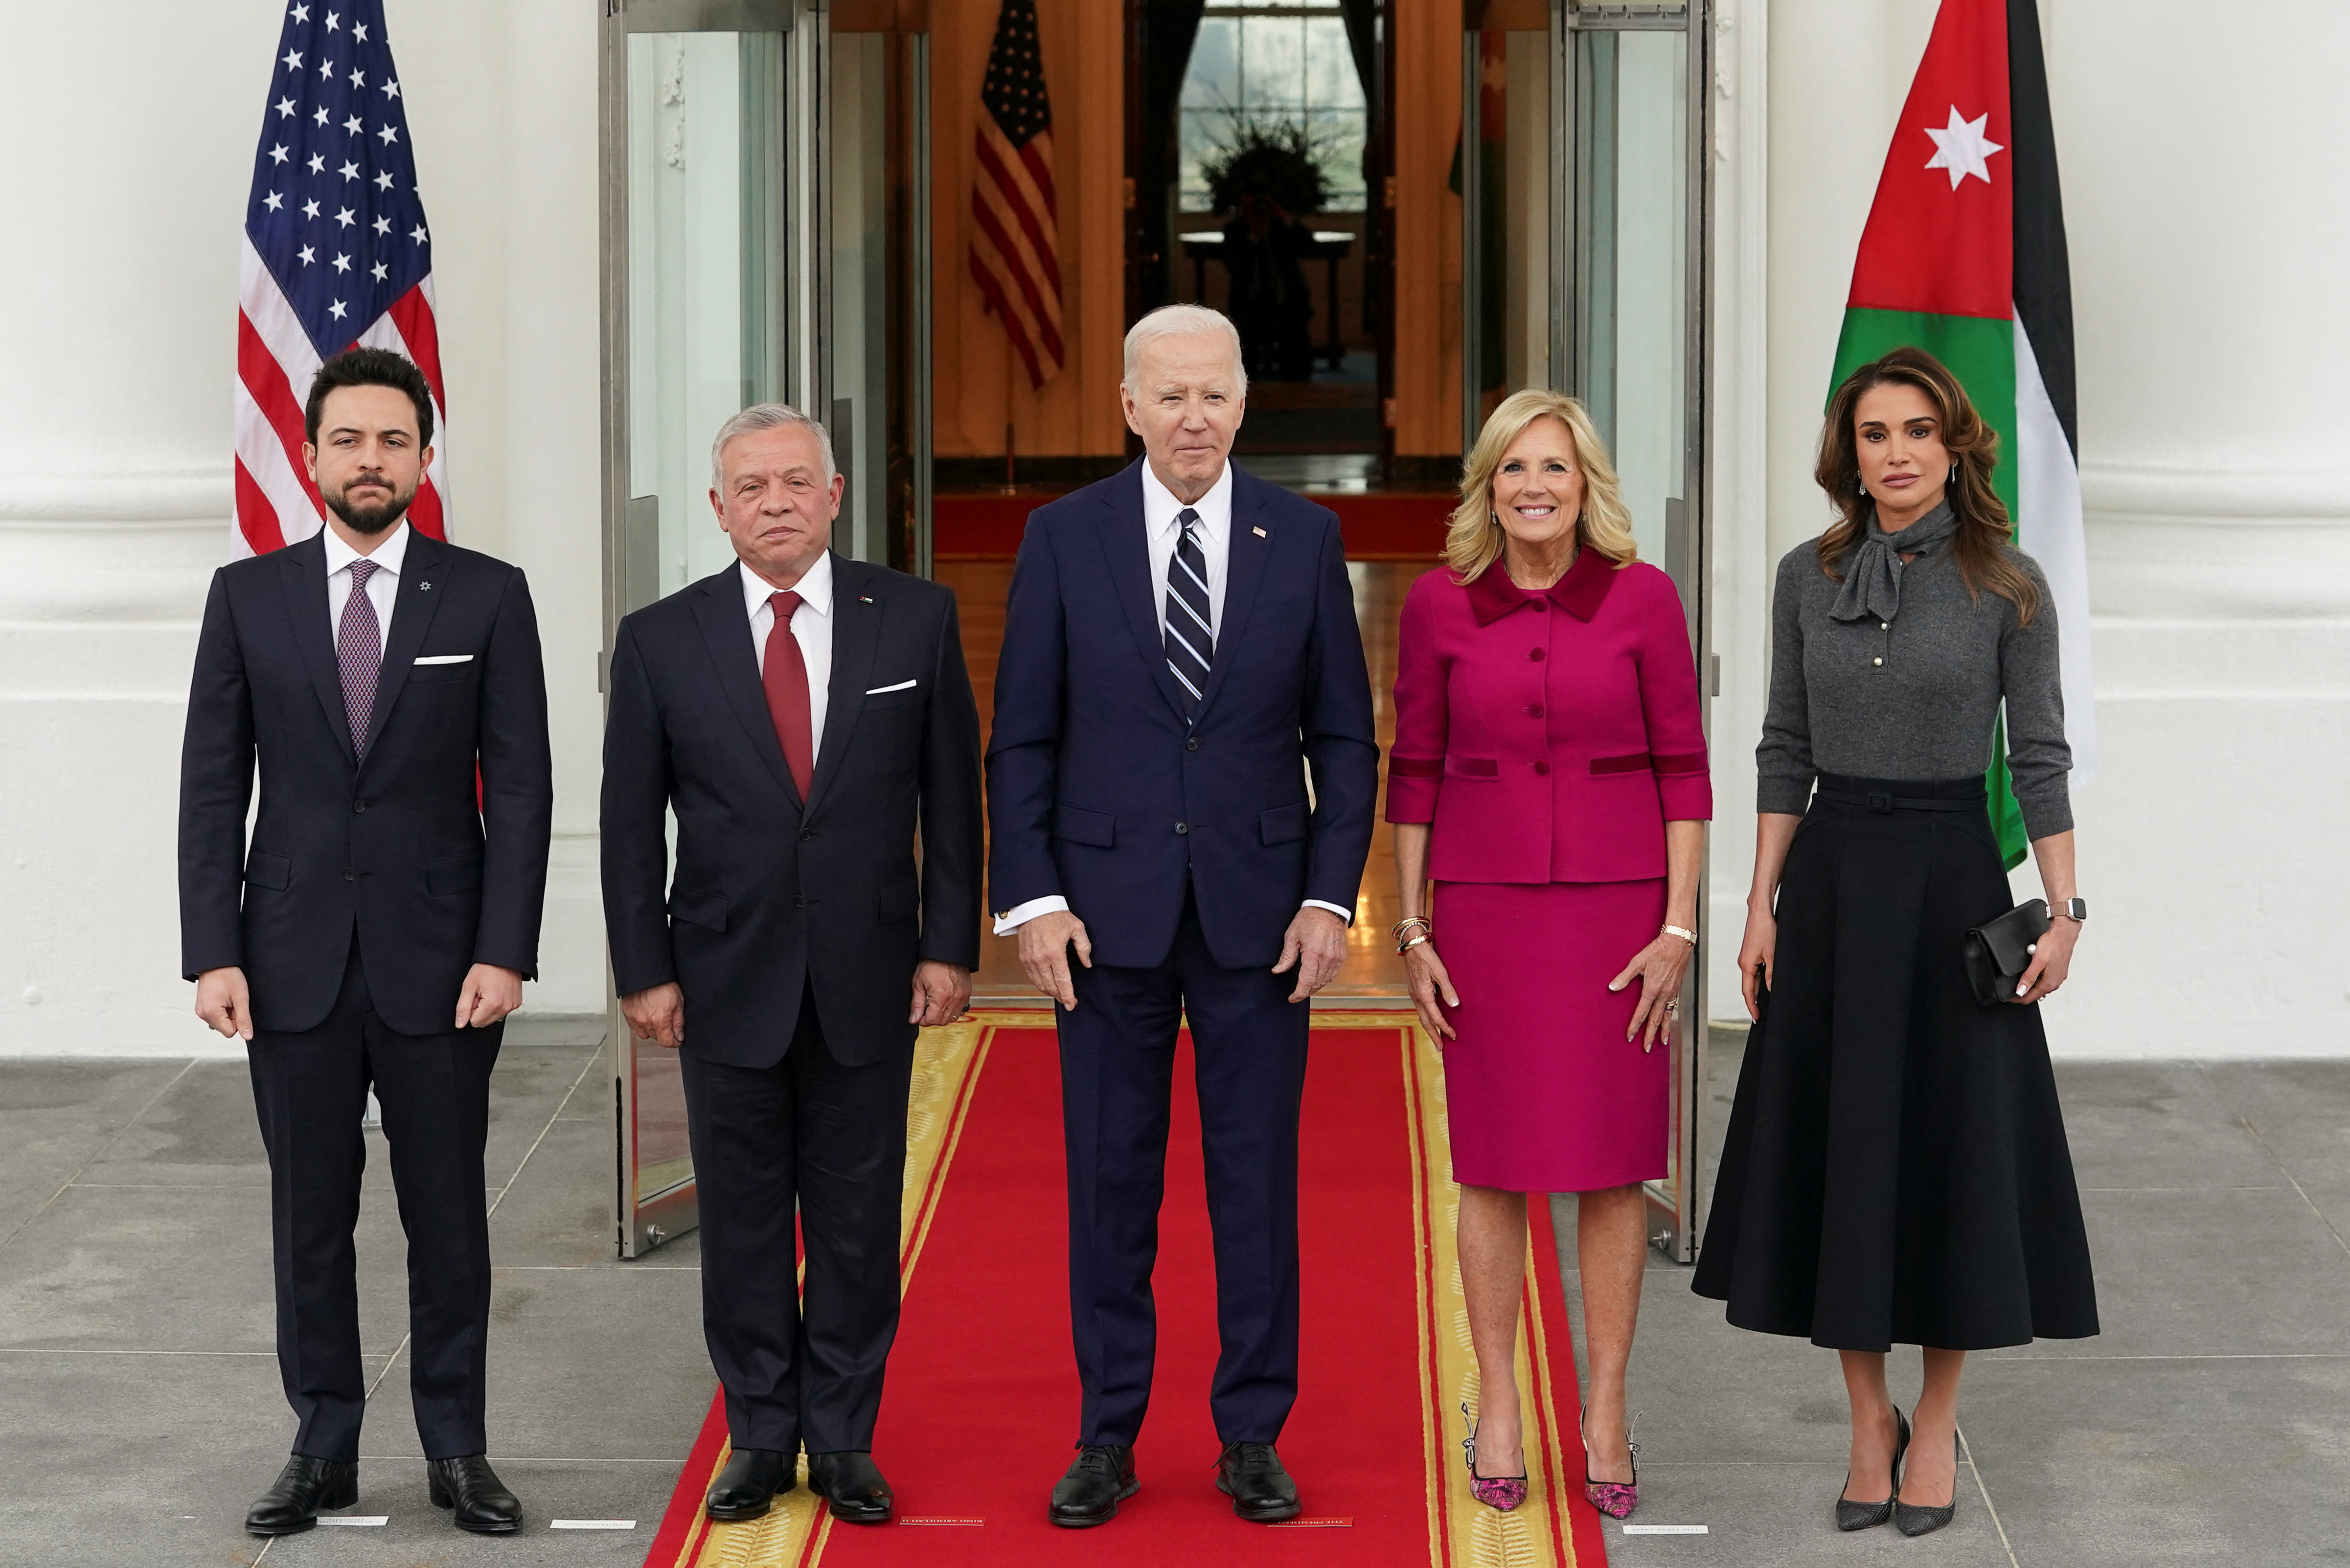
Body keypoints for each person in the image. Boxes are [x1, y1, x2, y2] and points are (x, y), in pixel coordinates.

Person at [1691, 346, 2098, 1538]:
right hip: (1828, 886)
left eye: (1918, 430)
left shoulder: (2009, 584)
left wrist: (2066, 913)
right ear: (1849, 452)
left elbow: (2039, 759)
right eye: (1875, 434)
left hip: (1951, 890)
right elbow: (1781, 743)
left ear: (1954, 444)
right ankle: (1868, 1421)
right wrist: (1757, 903)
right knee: (1844, 1155)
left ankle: (1939, 1412)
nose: (1898, 453)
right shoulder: (1800, 577)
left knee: (1950, 1157)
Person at [987, 304, 1379, 1527]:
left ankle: (1251, 1432)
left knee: (1253, 1188)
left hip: (1262, 926)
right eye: (1170, 396)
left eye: (1213, 394)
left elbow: (1345, 739)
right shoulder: (1061, 539)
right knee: (1110, 1188)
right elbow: (1023, 738)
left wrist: (1329, 897)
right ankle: (1107, 1434)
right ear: (1127, 407)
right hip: (1100, 929)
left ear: (1244, 402)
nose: (1193, 417)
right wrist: (1033, 900)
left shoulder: (1303, 538)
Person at [179, 346, 553, 1537]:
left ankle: (456, 1448)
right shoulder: (248, 597)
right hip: (287, 959)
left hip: (443, 964)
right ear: (309, 456)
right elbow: (209, 787)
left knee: (447, 1214)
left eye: (394, 440)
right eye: (348, 440)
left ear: (426, 457)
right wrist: (212, 949)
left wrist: (507, 947)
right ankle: (323, 1441)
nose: (371, 460)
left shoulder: (487, 595)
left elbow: (524, 790)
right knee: (310, 1216)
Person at [600, 404, 983, 1527]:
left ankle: (847, 1434)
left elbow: (951, 802)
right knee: (746, 1221)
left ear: (835, 492)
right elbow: (632, 825)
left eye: (794, 481)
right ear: (718, 510)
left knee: (860, 1221)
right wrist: (644, 968)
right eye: (750, 487)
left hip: (872, 972)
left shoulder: (911, 620)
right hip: (721, 976)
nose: (774, 502)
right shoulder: (662, 639)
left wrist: (948, 944)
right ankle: (762, 1433)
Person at [1387, 389, 1709, 1520]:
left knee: (1613, 1166)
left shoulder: (1642, 598)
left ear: (1587, 488)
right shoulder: (1435, 606)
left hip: (1619, 924)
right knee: (1491, 1165)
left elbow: (1683, 767)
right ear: (1487, 485)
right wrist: (1411, 927)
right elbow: (1412, 770)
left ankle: (1607, 1406)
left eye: (1554, 470)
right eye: (1513, 468)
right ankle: (1503, 1404)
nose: (1533, 487)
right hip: (1481, 915)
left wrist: (1676, 928)